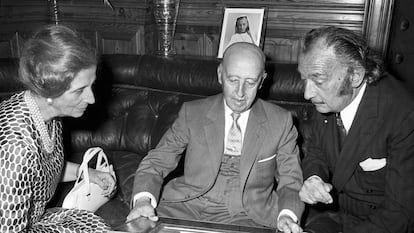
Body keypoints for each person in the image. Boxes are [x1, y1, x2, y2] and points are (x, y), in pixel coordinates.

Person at [127, 42, 304, 233]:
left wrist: (287, 215)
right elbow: (157, 161)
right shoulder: (192, 113)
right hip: (184, 207)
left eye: (250, 82)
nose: (240, 93)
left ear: (262, 80)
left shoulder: (281, 121)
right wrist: (143, 200)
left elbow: (291, 181)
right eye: (233, 80)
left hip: (248, 216)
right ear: (220, 74)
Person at [0, 24, 117, 232]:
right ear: (49, 89)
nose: (91, 98)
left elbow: (42, 172)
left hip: (34, 220)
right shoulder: (14, 146)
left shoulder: (47, 111)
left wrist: (89, 173)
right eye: (79, 90)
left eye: (91, 86)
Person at [298, 26, 414, 233]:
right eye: (304, 78)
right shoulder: (326, 98)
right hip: (336, 216)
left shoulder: (403, 114)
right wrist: (314, 178)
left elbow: (399, 213)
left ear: (355, 76)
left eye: (318, 80)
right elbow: (317, 151)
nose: (307, 93)